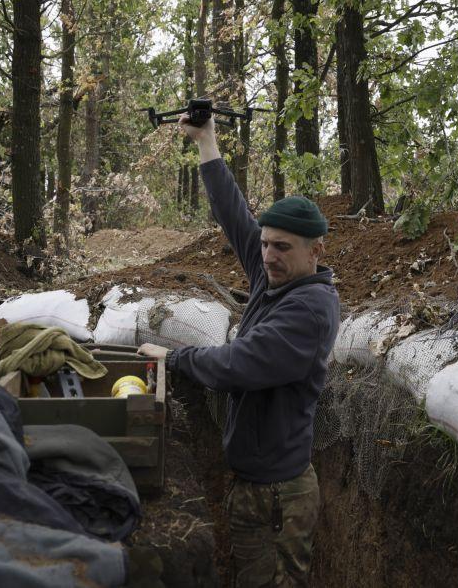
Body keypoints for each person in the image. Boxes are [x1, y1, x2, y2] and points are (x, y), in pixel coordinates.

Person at [138, 113, 340, 587]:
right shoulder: (275, 276)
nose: (268, 255)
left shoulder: (308, 310)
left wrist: (174, 359)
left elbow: (238, 366)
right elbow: (234, 215)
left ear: (316, 253)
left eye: (282, 248)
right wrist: (207, 142)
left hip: (278, 498)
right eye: (266, 244)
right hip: (256, 486)